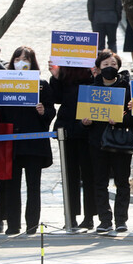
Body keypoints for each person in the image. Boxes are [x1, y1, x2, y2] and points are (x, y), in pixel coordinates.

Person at [0, 47, 55, 235]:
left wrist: (43, 112)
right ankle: (13, 224)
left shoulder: (42, 85)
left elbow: (51, 111)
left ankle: (32, 225)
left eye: (26, 59)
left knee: (33, 186)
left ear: (32, 62)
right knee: (11, 186)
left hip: (34, 144)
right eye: (18, 59)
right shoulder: (2, 84)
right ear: (12, 62)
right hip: (10, 144)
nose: (21, 62)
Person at [83, 50, 133, 234]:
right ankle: (105, 220)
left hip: (120, 142)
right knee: (100, 181)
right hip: (97, 142)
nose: (110, 68)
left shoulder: (128, 89)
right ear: (98, 68)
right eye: (106, 65)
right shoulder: (91, 89)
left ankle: (121, 219)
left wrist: (123, 119)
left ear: (118, 67)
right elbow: (82, 116)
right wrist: (85, 121)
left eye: (113, 64)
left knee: (122, 181)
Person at [49, 64, 97, 230]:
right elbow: (56, 98)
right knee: (69, 175)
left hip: (88, 129)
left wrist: (95, 73)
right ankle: (71, 216)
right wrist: (55, 76)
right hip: (67, 130)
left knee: (89, 174)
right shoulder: (64, 73)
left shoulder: (92, 73)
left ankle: (90, 216)